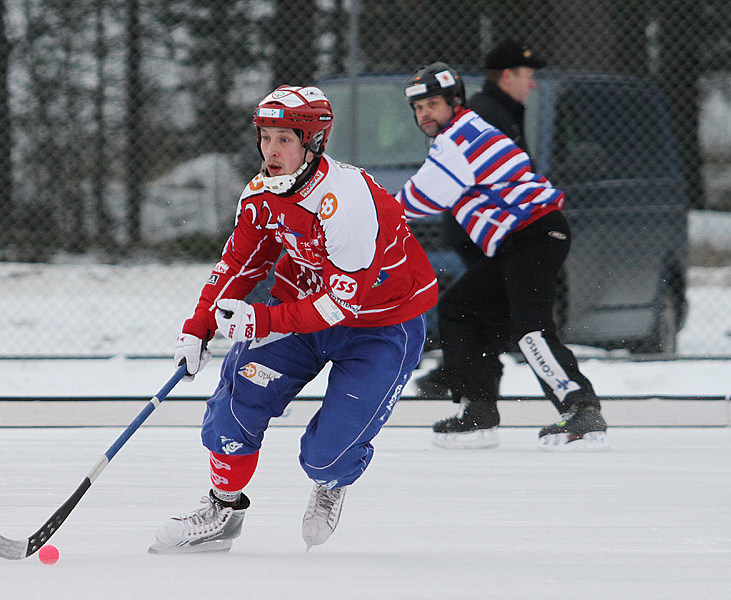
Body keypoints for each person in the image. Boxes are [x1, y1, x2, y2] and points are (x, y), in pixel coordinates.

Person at [148, 85, 438, 554]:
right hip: (298, 309)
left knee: (328, 457)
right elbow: (239, 263)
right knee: (234, 407)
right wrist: (198, 324)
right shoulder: (262, 191)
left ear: (313, 141)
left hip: (380, 325)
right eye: (265, 137)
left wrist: (259, 321)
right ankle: (222, 511)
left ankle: (331, 482)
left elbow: (336, 306)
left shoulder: (347, 203)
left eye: (285, 138)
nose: (271, 150)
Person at [396, 62, 609, 451]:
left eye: (432, 104)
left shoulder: (457, 139)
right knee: (462, 309)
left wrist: (366, 214)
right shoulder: (466, 131)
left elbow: (414, 200)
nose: (424, 114)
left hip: (534, 234)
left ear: (454, 101)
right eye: (418, 108)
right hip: (521, 240)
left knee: (530, 326)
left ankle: (581, 409)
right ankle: (478, 412)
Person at [415, 39, 547, 399]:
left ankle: (464, 377)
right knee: (489, 306)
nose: (532, 84)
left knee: (488, 305)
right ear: (507, 76)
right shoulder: (486, 113)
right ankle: (464, 377)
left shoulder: (501, 108)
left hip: (497, 228)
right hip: (486, 229)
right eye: (527, 75)